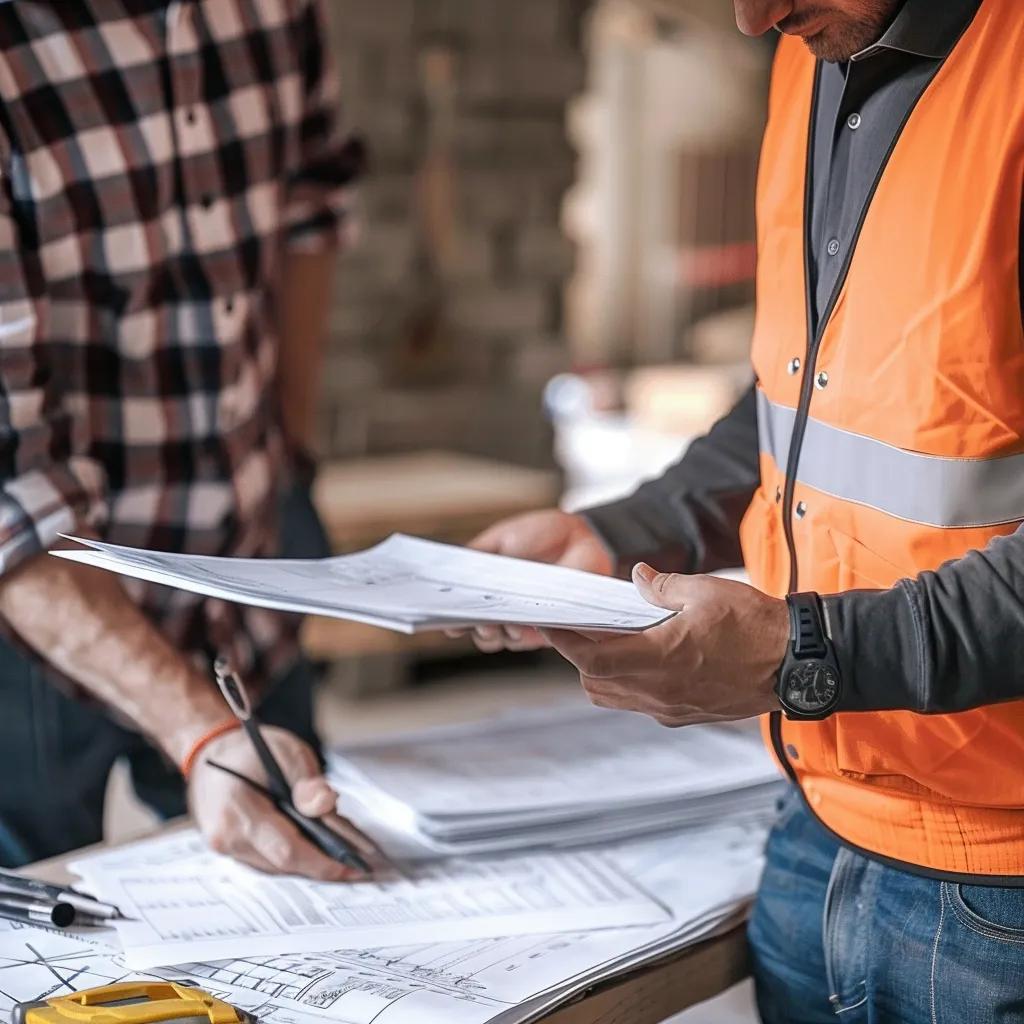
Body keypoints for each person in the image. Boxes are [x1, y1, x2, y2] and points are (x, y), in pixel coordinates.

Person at [464, 0, 1024, 1019]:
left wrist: (799, 652)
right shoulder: (813, 47)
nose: (751, 16)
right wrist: (618, 530)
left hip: (1002, 881)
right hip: (813, 833)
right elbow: (807, 388)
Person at [0, 0, 377, 881]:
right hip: (29, 611)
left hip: (251, 561)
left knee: (312, 911)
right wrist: (199, 729)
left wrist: (287, 453)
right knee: (32, 963)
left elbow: (313, 201)